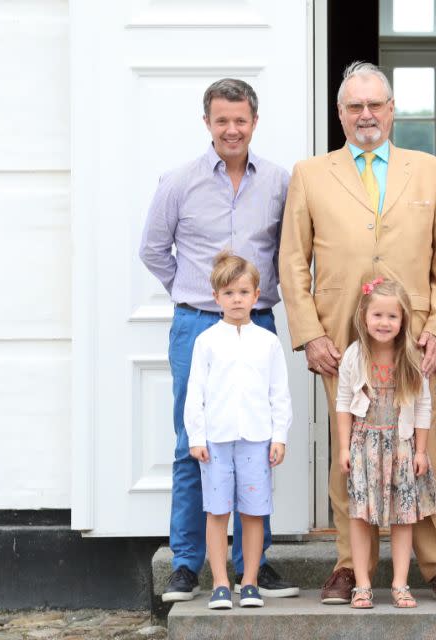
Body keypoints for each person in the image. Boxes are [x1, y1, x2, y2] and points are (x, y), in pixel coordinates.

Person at [279, 61, 436, 604]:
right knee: (350, 448)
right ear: (340, 114)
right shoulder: (311, 173)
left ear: (392, 110)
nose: (366, 114)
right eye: (354, 106)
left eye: (375, 104)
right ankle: (348, 565)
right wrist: (309, 332)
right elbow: (293, 261)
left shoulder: (429, 170)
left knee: (420, 447)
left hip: (413, 333)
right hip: (339, 330)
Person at [139, 78, 299, 602]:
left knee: (255, 442)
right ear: (207, 122)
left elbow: (288, 252)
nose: (232, 129)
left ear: (255, 121)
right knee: (195, 446)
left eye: (241, 120)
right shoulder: (179, 182)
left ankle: (253, 565)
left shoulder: (278, 181)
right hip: (196, 325)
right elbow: (154, 250)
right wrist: (191, 294)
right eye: (222, 120)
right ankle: (186, 565)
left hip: (258, 326)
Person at [184, 252, 292, 610]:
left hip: (256, 439)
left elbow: (279, 392)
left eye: (243, 292)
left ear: (256, 295)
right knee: (217, 512)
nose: (236, 300)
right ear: (216, 297)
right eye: (228, 293)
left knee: (253, 511)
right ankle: (219, 583)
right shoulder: (207, 341)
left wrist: (279, 435)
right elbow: (195, 392)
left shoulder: (268, 342)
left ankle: (249, 582)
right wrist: (197, 437)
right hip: (216, 440)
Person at [336, 279, 436, 609]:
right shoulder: (356, 355)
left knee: (403, 517)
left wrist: (421, 450)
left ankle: (400, 583)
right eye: (377, 315)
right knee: (359, 516)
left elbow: (423, 405)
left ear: (403, 320)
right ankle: (363, 584)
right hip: (364, 444)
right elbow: (343, 401)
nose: (384, 323)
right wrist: (343, 447)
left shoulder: (411, 356)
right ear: (364, 317)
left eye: (392, 317)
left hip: (401, 447)